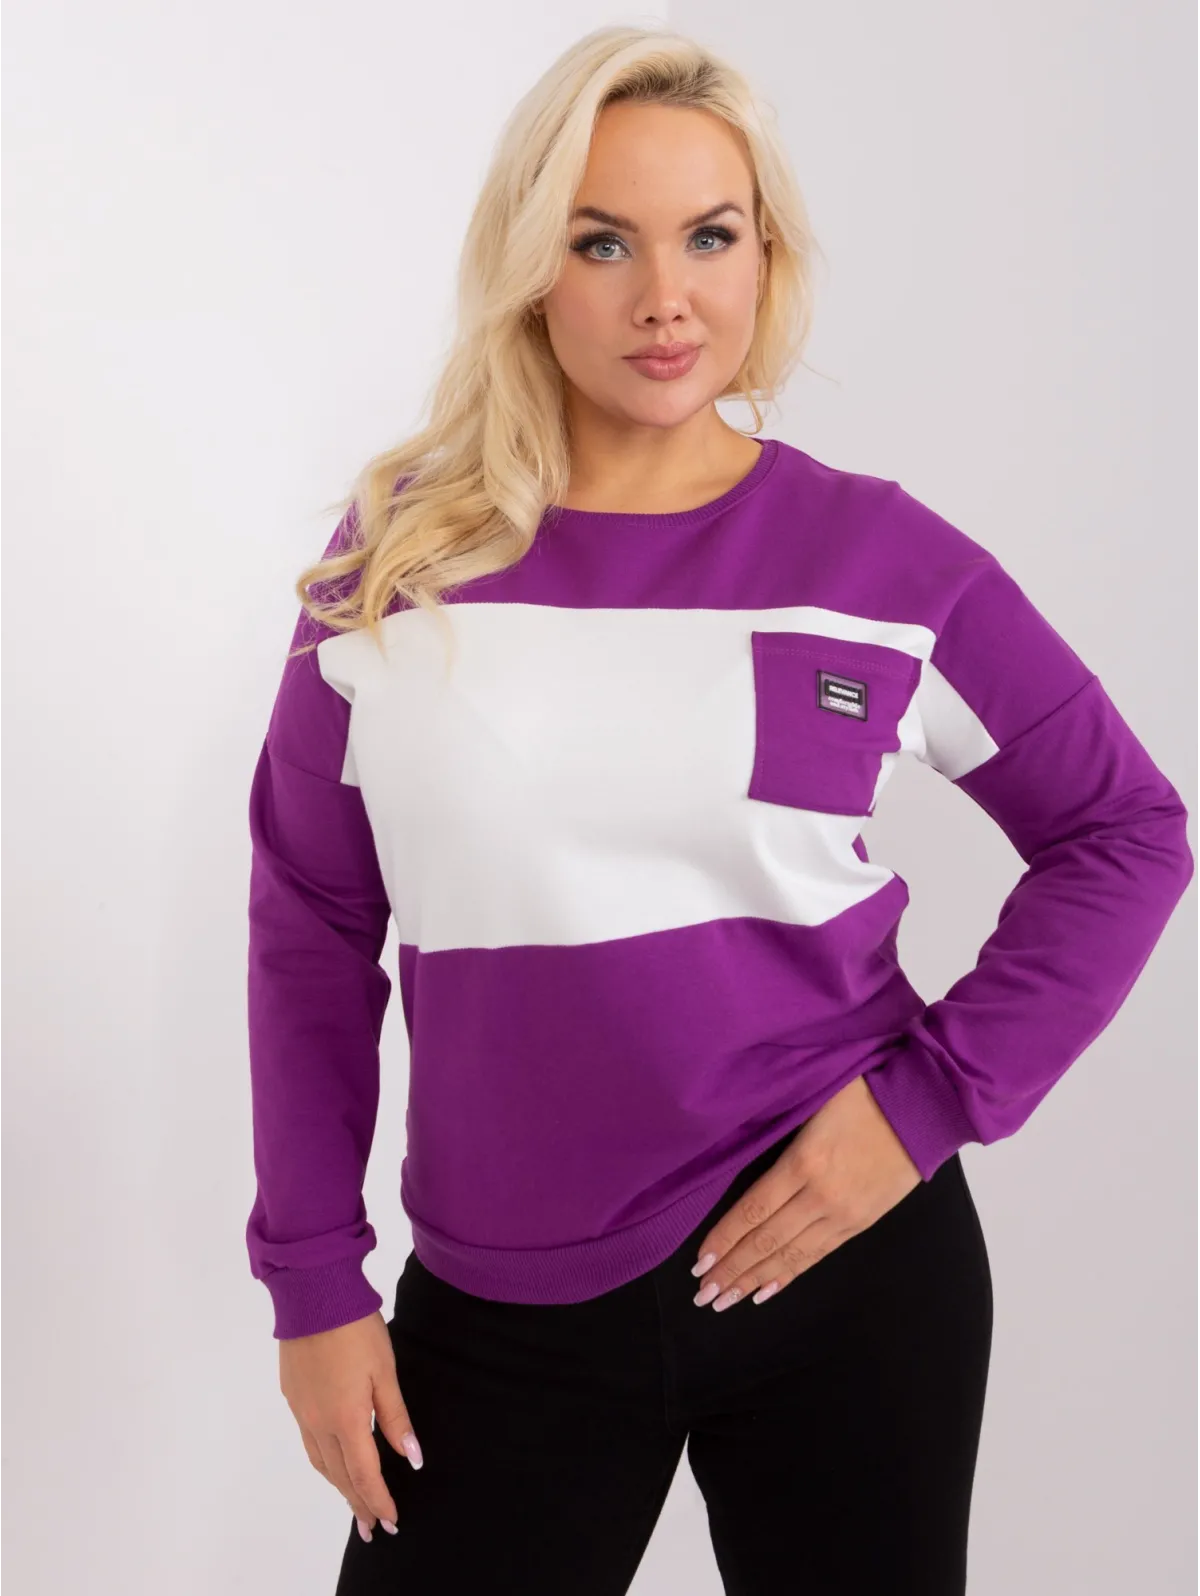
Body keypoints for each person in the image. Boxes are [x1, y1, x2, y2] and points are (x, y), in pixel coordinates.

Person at [243, 25, 1194, 1596]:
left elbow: (1126, 831)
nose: (664, 297)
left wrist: (925, 1106)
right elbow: (313, 923)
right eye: (600, 241)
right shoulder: (397, 560)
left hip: (844, 1265)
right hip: (503, 1300)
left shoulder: (879, 559)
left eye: (710, 236)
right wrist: (312, 1282)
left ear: (767, 258)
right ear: (530, 267)